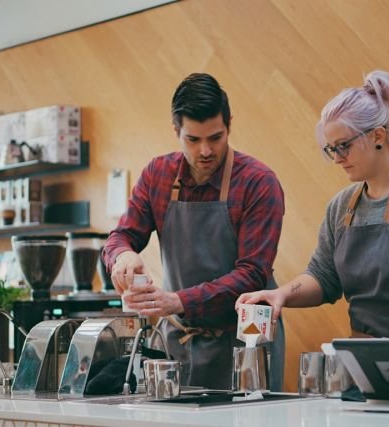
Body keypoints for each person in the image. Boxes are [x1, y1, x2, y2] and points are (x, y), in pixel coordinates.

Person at [236, 70, 389, 399]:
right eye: (330, 150)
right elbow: (324, 277)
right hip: (371, 373)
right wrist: (282, 294)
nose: (337, 158)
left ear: (378, 135)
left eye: (344, 146)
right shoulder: (341, 208)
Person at [103, 73, 286, 391]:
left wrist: (178, 300)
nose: (205, 150)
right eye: (193, 139)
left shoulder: (258, 183)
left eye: (215, 138)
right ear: (176, 130)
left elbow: (252, 274)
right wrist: (123, 255)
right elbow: (120, 236)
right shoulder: (158, 175)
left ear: (229, 124)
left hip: (247, 343)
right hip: (178, 344)